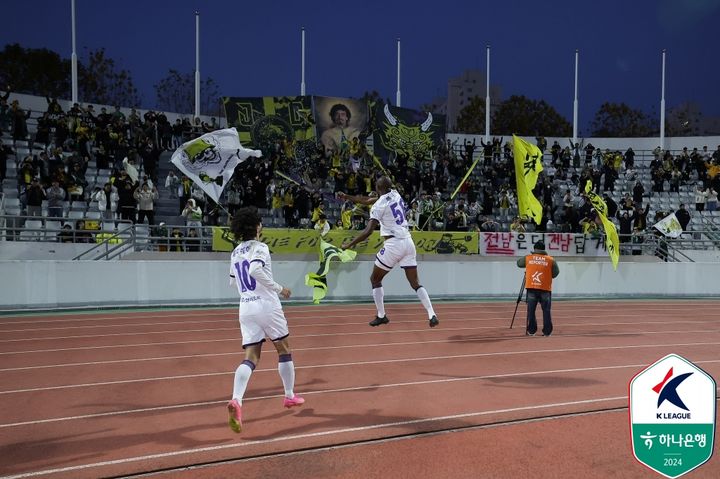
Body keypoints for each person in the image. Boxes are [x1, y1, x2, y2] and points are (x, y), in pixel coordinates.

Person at [226, 207, 304, 433]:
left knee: (251, 356)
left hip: (245, 306)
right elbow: (255, 270)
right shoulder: (260, 247)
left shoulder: (235, 252)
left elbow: (233, 282)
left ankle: (236, 400)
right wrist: (280, 288)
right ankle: (289, 396)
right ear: (256, 226)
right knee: (284, 349)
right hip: (266, 305)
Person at [338, 176, 439, 328]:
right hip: (408, 242)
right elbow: (368, 201)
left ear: (378, 189)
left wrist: (350, 244)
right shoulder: (395, 193)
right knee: (415, 283)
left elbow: (368, 231)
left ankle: (381, 315)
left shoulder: (378, 206)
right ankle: (432, 314)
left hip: (393, 245)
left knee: (375, 279)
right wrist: (348, 197)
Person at [516, 240, 560, 337]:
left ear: (535, 249)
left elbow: (518, 263)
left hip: (531, 288)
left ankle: (532, 331)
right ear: (544, 249)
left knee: (531, 311)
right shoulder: (550, 259)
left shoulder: (528, 258)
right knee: (546, 311)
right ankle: (547, 332)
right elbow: (556, 273)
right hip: (545, 288)